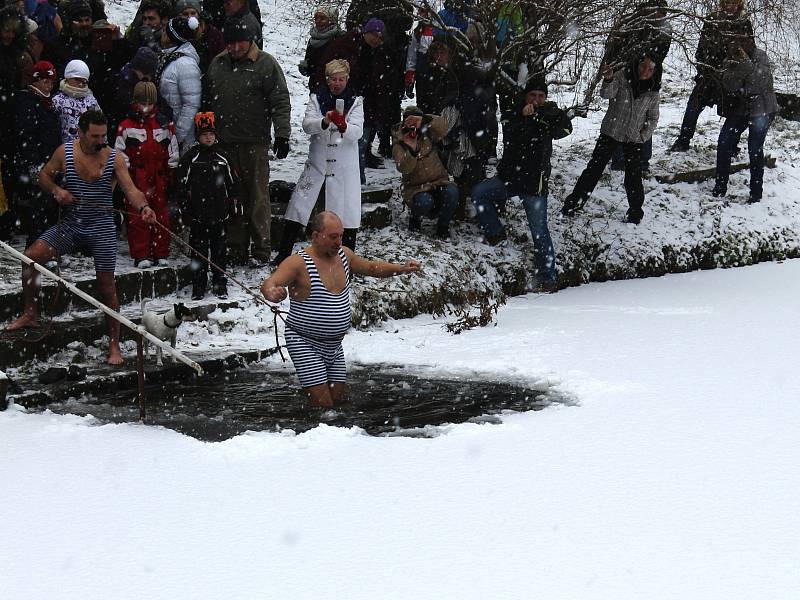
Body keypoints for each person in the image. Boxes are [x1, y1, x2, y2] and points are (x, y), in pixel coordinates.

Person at [5, 110, 157, 366]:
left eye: (103, 134)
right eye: (95, 136)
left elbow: (131, 189)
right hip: (72, 224)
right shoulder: (65, 152)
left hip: (102, 227)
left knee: (106, 284)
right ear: (81, 133)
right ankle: (30, 313)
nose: (101, 140)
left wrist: (144, 208)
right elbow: (43, 176)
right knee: (30, 257)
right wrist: (57, 190)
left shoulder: (113, 157)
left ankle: (114, 344)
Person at [261, 211, 421, 407]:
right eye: (333, 237)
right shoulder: (298, 263)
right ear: (316, 236)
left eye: (341, 236)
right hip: (305, 342)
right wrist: (272, 292)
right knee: (324, 407)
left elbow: (371, 268)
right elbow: (270, 283)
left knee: (337, 403)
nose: (338, 242)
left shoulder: (344, 255)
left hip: (334, 346)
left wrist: (401, 268)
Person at [471, 77, 572, 292]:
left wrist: (542, 116)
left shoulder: (549, 115)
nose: (536, 100)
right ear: (526, 96)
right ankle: (496, 232)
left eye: (540, 96)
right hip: (509, 178)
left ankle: (548, 276)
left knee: (539, 232)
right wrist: (524, 117)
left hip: (534, 185)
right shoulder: (513, 113)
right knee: (479, 193)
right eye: (533, 95)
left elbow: (564, 129)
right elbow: (513, 132)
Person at [204, 16, 291, 266]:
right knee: (232, 196)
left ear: (250, 40)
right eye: (230, 43)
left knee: (257, 197)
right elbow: (209, 99)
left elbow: (280, 100)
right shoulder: (218, 64)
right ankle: (235, 247)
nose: (235, 48)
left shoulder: (265, 64)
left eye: (240, 42)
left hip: (255, 141)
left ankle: (261, 248)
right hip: (224, 142)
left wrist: (282, 133)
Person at [277, 58, 363, 264]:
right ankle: (283, 252)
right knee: (299, 205)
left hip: (344, 167)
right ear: (327, 80)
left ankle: (347, 258)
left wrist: (344, 126)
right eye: (333, 79)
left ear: (347, 79)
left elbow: (357, 131)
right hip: (317, 162)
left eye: (341, 79)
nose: (337, 83)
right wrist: (324, 121)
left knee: (347, 212)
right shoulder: (317, 99)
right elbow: (307, 125)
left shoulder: (356, 101)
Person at [562, 55, 661, 225]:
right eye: (643, 66)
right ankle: (573, 204)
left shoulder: (653, 91)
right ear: (637, 64)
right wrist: (608, 79)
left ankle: (635, 213)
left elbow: (653, 118)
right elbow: (605, 94)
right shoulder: (623, 76)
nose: (645, 71)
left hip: (633, 138)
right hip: (611, 132)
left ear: (655, 72)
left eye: (650, 69)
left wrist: (643, 135)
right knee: (593, 169)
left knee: (634, 177)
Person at [669, 0, 754, 152]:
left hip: (731, 78)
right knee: (693, 108)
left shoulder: (744, 23)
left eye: (734, 3)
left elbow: (750, 51)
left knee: (735, 113)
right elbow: (701, 49)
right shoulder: (712, 20)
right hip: (709, 76)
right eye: (728, 2)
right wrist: (706, 70)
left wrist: (736, 68)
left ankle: (731, 145)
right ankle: (683, 141)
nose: (730, 6)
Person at [114, 81, 178, 268]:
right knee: (136, 216)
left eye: (150, 103)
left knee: (161, 214)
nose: (146, 107)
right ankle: (141, 254)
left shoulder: (164, 123)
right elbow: (120, 152)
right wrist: (126, 173)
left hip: (159, 175)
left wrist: (171, 170)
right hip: (137, 176)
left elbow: (173, 149)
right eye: (142, 103)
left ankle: (161, 252)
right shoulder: (126, 125)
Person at [176, 112, 240, 299]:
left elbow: (234, 183)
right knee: (198, 253)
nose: (208, 137)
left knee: (220, 252)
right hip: (198, 216)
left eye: (211, 133)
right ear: (198, 136)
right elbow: (181, 185)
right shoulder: (190, 158)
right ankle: (198, 285)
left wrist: (235, 206)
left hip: (220, 215)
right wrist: (185, 209)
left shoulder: (224, 157)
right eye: (204, 134)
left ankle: (220, 283)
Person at [319, 16, 388, 181]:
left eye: (380, 37)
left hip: (366, 102)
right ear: (366, 33)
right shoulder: (347, 47)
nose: (378, 40)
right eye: (375, 35)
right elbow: (332, 73)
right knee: (344, 144)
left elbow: (378, 79)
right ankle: (346, 180)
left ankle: (357, 180)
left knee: (360, 144)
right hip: (345, 101)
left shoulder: (377, 52)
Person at [712, 33, 777, 203]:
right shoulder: (728, 61)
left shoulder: (761, 56)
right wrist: (739, 67)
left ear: (749, 41)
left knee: (754, 148)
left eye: (742, 41)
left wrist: (744, 64)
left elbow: (758, 81)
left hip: (762, 108)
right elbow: (731, 86)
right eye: (734, 42)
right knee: (724, 142)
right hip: (741, 108)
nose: (738, 46)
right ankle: (720, 186)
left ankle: (756, 192)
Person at [13, 59, 61, 248]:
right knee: (39, 208)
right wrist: (34, 164)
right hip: (38, 163)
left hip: (50, 162)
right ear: (36, 80)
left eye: (51, 81)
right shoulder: (29, 102)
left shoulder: (47, 103)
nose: (49, 85)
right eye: (45, 81)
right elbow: (26, 136)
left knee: (49, 208)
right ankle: (36, 248)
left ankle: (46, 248)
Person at [391, 105, 458, 239]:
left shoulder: (430, 132)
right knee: (424, 201)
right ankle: (415, 218)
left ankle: (443, 226)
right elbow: (404, 168)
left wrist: (425, 119)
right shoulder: (399, 141)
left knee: (452, 192)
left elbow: (444, 125)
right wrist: (412, 150)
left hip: (439, 180)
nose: (413, 128)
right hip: (415, 188)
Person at [157, 15, 202, 154]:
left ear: (172, 37)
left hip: (181, 140)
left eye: (165, 31)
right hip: (168, 131)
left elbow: (191, 104)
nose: (161, 33)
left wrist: (178, 136)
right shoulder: (169, 57)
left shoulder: (185, 64)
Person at [51, 58, 100, 143]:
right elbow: (51, 129)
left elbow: (100, 125)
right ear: (68, 77)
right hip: (64, 150)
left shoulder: (91, 101)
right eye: (77, 79)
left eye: (84, 82)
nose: (80, 84)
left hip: (87, 149)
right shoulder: (57, 100)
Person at [298, 4, 342, 92]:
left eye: (322, 18)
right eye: (316, 18)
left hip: (334, 88)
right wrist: (305, 68)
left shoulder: (339, 39)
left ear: (332, 20)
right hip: (315, 86)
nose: (318, 21)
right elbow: (310, 64)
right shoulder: (313, 39)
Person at [176, 0, 224, 74]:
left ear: (198, 14)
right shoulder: (176, 34)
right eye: (185, 14)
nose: (190, 17)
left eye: (193, 13)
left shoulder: (213, 33)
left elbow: (221, 57)